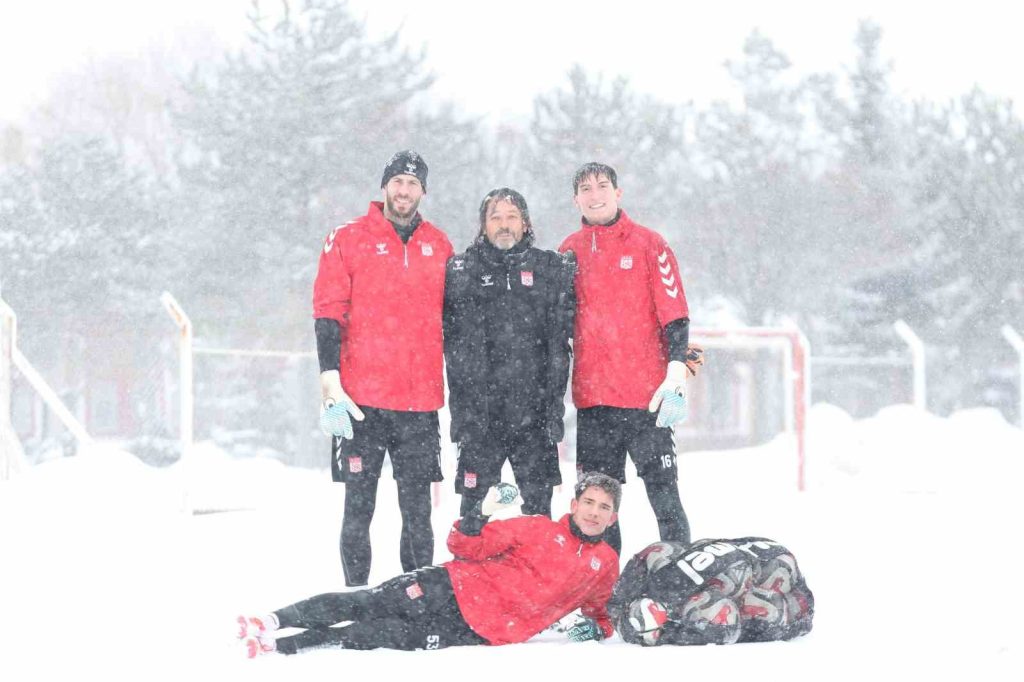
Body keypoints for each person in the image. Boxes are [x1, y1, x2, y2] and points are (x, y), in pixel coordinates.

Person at [237, 473, 622, 655]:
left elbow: (603, 614)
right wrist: (481, 512)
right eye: (588, 503)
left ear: (613, 518)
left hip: (478, 632)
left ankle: (281, 646)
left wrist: (596, 628)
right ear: (573, 505)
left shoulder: (605, 563)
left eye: (603, 507)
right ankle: (271, 620)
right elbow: (463, 545)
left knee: (375, 634)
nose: (594, 512)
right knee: (365, 604)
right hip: (450, 587)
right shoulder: (536, 527)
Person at [312, 150, 454, 586]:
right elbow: (328, 310)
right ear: (384, 186)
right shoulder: (347, 237)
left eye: (413, 183)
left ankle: (415, 599)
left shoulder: (440, 245)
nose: (404, 191)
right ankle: (356, 596)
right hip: (361, 403)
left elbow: (457, 320)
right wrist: (330, 378)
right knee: (359, 507)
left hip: (419, 403)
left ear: (423, 191)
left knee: (417, 511)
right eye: (397, 182)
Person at [558, 162, 701, 555]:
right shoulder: (568, 250)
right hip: (594, 404)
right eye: (585, 189)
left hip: (647, 400)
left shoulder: (650, 244)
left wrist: (675, 371)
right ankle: (604, 588)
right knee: (598, 511)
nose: (595, 195)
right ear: (575, 199)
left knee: (664, 497)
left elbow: (675, 313)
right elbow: (557, 326)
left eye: (602, 186)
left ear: (618, 193)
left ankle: (678, 582)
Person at [443, 188, 576, 518]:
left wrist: (553, 411)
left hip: (535, 419)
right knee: (473, 518)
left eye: (512, 217)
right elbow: (443, 341)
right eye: (496, 217)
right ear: (483, 225)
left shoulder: (550, 268)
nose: (504, 225)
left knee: (538, 520)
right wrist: (462, 416)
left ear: (525, 223)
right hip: (480, 420)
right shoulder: (460, 271)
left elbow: (563, 343)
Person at [609, 536, 814, 646]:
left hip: (769, 558)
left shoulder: (695, 605)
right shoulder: (658, 568)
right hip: (765, 549)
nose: (657, 610)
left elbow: (727, 630)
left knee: (768, 612)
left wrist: (668, 637)